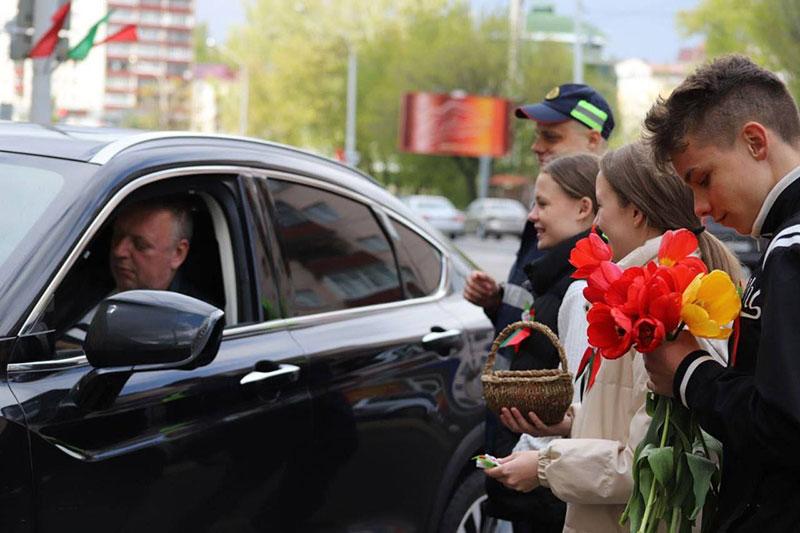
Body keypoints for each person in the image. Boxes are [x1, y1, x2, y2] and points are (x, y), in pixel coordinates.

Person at [486, 142, 742, 532]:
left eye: (602, 206)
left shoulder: (669, 303)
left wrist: (543, 466)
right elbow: (632, 416)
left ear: (635, 212)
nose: (596, 223)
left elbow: (649, 459)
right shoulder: (641, 289)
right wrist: (573, 421)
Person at [641, 54, 800, 531]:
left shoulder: (792, 249)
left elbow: (784, 426)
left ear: (755, 141)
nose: (700, 208)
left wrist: (690, 373)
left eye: (703, 179)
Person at [482, 153, 600, 532]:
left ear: (583, 209)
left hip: (547, 496)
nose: (532, 215)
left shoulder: (579, 288)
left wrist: (528, 459)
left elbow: (578, 403)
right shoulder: (556, 277)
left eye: (543, 204)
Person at [62, 197, 198, 343]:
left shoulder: (188, 325)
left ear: (178, 253)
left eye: (140, 245)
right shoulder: (80, 280)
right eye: (117, 236)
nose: (119, 251)